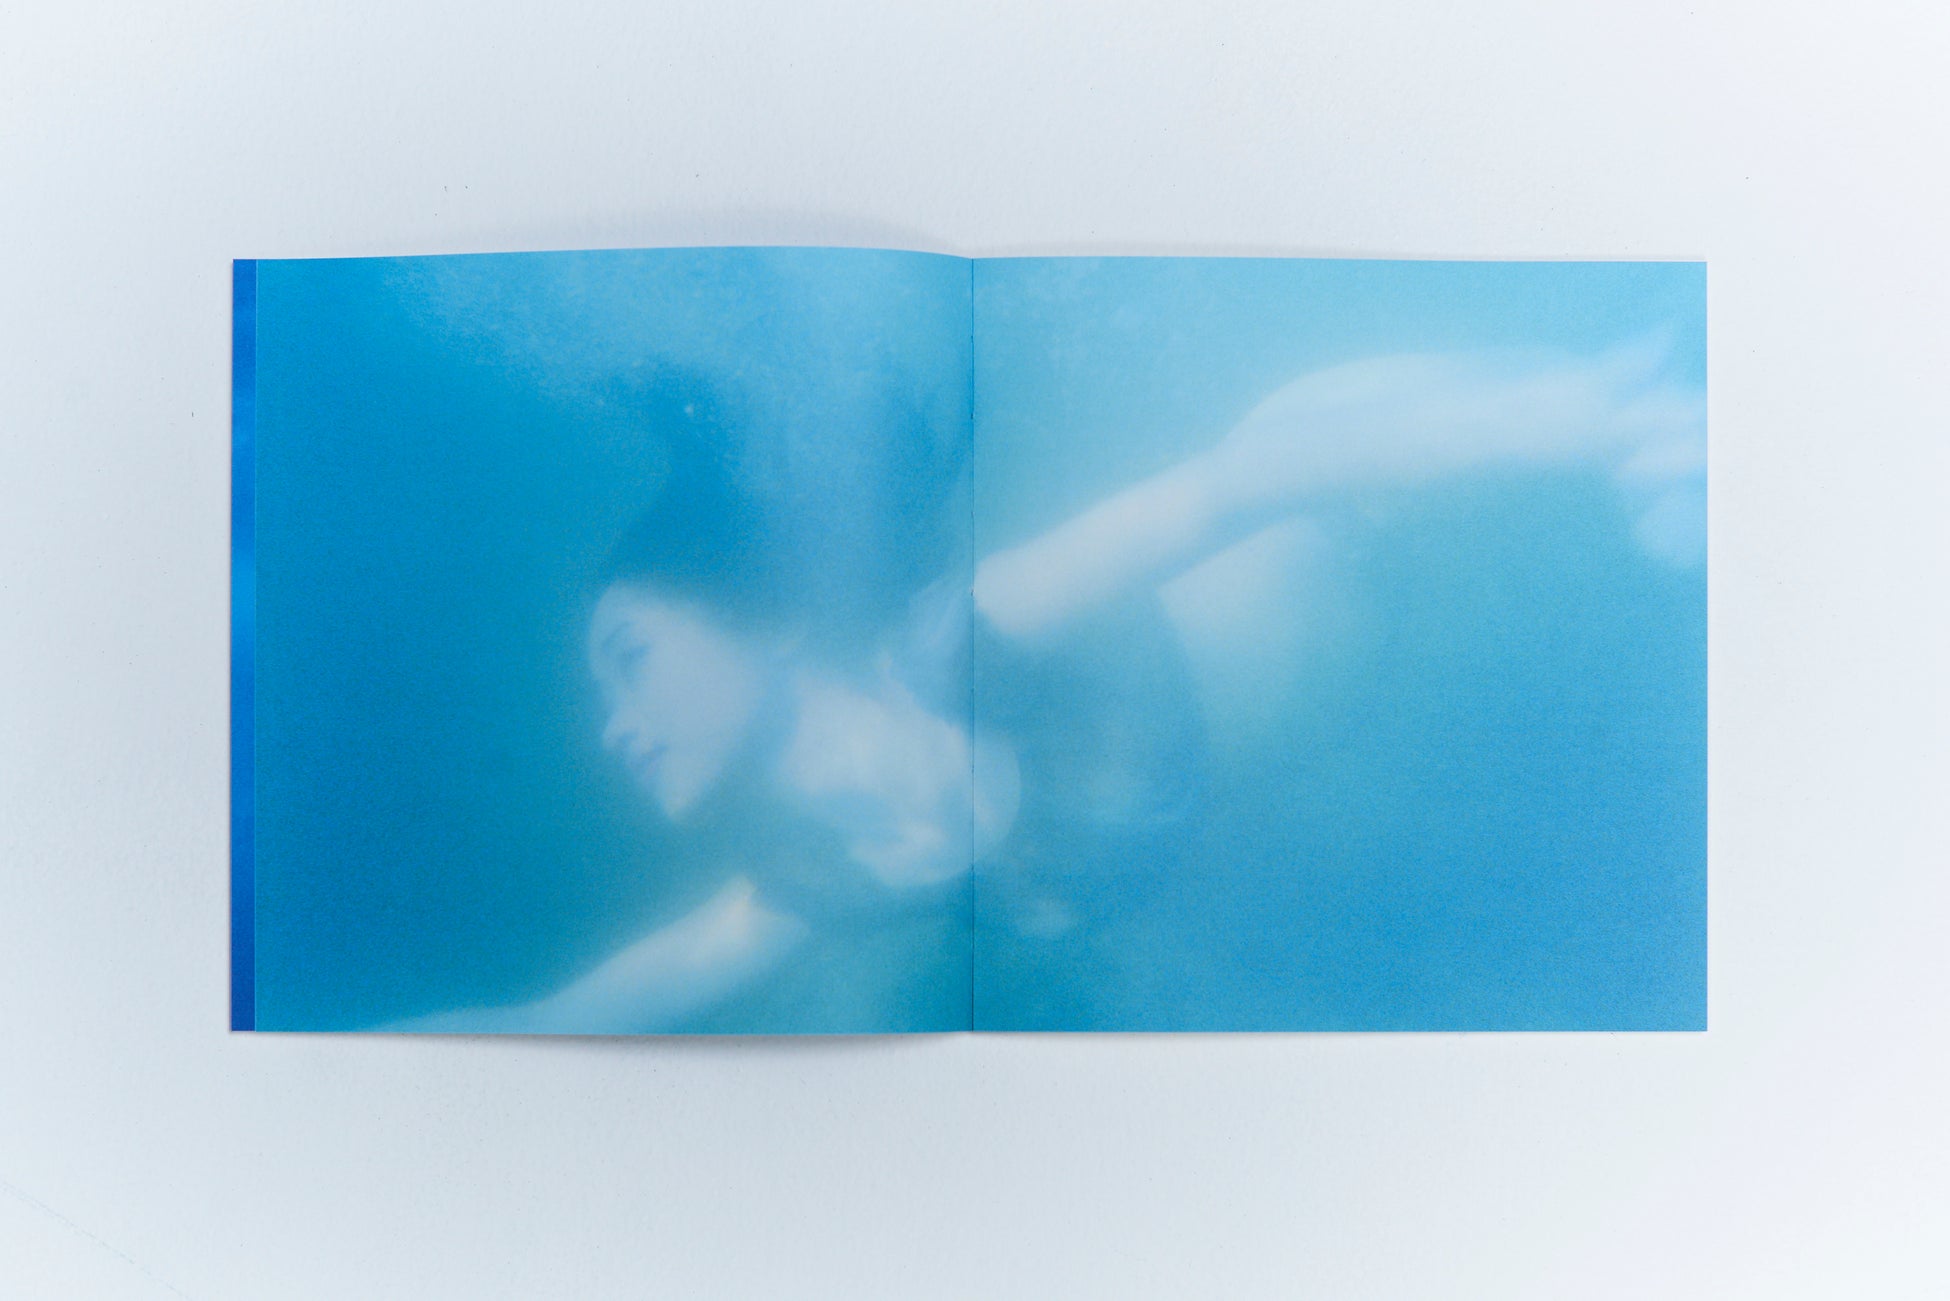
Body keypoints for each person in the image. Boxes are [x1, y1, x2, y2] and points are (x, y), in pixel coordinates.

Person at [392, 336, 1703, 1033]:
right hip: (1391, 615)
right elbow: (573, 1012)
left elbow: (1240, 486)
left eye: (629, 657)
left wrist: (1546, 429)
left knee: (1621, 399)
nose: (613, 727)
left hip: (1344, 475)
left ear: (772, 624)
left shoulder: (965, 641)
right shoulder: (826, 880)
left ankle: (1627, 399)